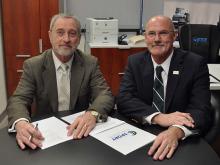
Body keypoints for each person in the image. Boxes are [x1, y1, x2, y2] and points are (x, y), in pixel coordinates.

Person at [6, 13, 114, 150]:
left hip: (79, 133)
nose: (66, 39)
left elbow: (105, 94)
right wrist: (21, 123)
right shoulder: (34, 65)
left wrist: (92, 114)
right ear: (50, 35)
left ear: (79, 39)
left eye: (72, 33)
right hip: (45, 136)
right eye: (60, 32)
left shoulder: (89, 63)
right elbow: (19, 99)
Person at [117, 15, 211, 160]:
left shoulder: (195, 64)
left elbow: (201, 109)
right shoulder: (135, 62)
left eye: (163, 33)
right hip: (141, 135)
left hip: (181, 142)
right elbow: (124, 99)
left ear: (175, 36)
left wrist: (176, 130)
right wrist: (158, 117)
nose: (156, 39)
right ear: (145, 37)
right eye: (151, 34)